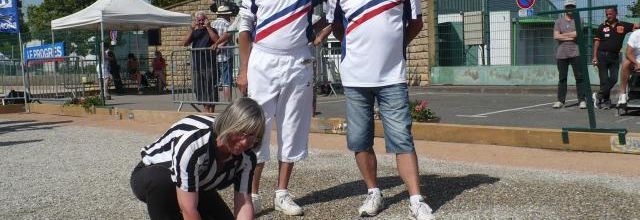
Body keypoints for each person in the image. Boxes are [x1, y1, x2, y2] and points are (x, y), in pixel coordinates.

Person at [320, 0, 434, 219]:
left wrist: (395, 49)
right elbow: (335, 26)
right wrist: (356, 49)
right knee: (360, 139)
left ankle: (416, 200)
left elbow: (416, 23)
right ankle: (373, 193)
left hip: (392, 76)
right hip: (355, 77)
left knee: (402, 138)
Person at [237, 0, 322, 216]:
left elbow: (336, 11)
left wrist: (317, 33)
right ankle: (253, 195)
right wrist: (244, 69)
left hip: (298, 59)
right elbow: (245, 27)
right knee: (256, 127)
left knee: (293, 127)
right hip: (262, 58)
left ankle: (282, 192)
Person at [130, 97, 265, 220]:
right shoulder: (195, 145)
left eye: (252, 135)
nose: (244, 142)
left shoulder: (246, 157)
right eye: (241, 132)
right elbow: (188, 209)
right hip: (153, 175)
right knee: (162, 182)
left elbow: (244, 202)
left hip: (198, 184)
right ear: (228, 125)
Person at [592, 7, 638, 109]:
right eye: (607, 14)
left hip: (615, 56)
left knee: (613, 79)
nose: (608, 16)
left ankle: (597, 96)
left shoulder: (623, 25)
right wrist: (595, 56)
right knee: (604, 80)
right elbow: (597, 42)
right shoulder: (601, 27)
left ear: (616, 13)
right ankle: (606, 101)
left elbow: (636, 26)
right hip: (601, 55)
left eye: (610, 14)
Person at [183, 11, 220, 113]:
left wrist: (208, 27)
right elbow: (185, 43)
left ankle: (212, 110)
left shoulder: (212, 30)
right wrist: (191, 29)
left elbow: (217, 40)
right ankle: (206, 110)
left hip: (209, 64)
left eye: (202, 20)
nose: (200, 22)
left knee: (210, 87)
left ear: (206, 20)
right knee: (200, 88)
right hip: (197, 65)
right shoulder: (194, 32)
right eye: (198, 20)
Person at [552, 0, 586, 109]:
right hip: (561, 54)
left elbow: (578, 34)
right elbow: (556, 36)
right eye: (568, 7)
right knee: (562, 78)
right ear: (565, 8)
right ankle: (560, 100)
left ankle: (582, 100)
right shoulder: (558, 21)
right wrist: (570, 36)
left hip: (576, 52)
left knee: (579, 77)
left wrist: (563, 35)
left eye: (572, 6)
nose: (570, 8)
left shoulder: (579, 20)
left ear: (575, 7)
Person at [211, 4, 234, 102]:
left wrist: (215, 47)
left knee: (214, 81)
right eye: (228, 15)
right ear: (225, 15)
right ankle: (228, 103)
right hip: (226, 55)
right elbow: (227, 38)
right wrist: (220, 46)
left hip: (213, 56)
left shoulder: (212, 24)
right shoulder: (227, 25)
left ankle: (213, 102)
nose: (229, 16)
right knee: (227, 82)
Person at [618, 30, 640, 107]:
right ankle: (623, 94)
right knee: (626, 63)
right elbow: (628, 53)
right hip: (636, 61)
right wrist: (637, 63)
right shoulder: (635, 35)